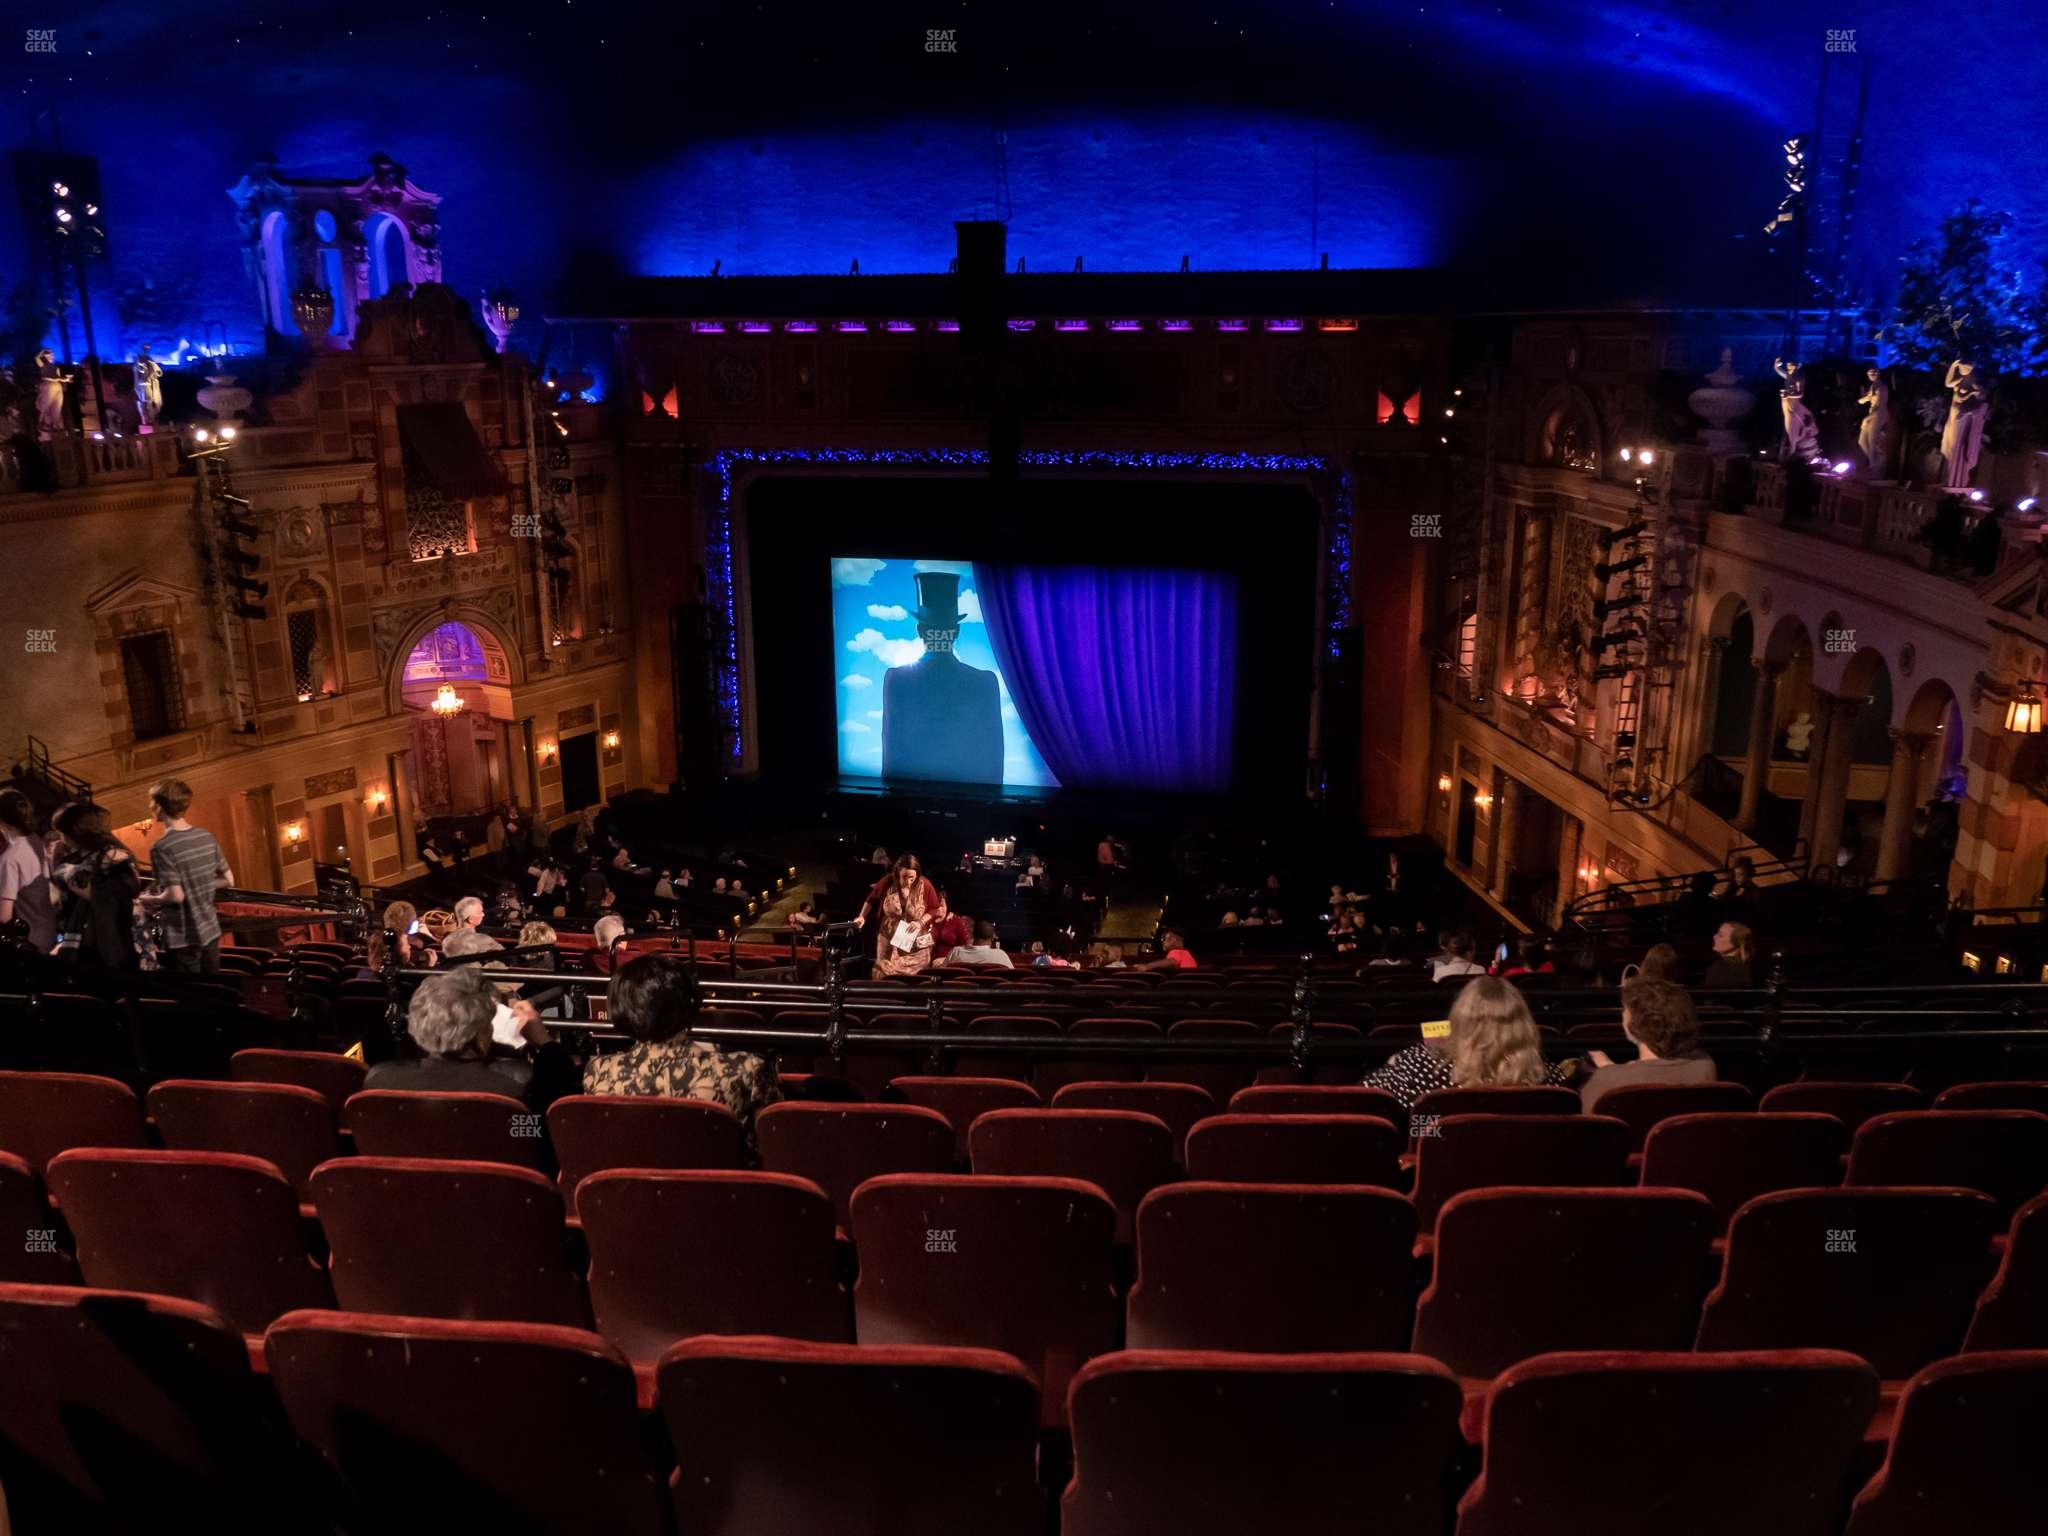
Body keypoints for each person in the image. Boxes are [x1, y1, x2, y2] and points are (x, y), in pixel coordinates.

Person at [581, 953, 782, 1142]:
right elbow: (772, 1147)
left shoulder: (599, 1072)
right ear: (690, 1002)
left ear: (619, 1007)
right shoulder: (746, 1069)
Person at [365, 965, 578, 1113]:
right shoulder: (514, 1091)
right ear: (481, 1031)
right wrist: (544, 1042)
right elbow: (549, 1130)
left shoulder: (379, 1082)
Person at [1363, 975, 1572, 1108]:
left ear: (1460, 1018)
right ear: (1523, 1024)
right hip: (1522, 1173)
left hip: (1443, 1171)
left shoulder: (1422, 1068)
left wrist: (1395, 1066)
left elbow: (1368, 1096)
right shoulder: (1549, 1081)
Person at [881, 570, 1001, 783]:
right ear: (956, 631)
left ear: (919, 630)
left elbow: (891, 760)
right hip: (972, 807)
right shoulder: (985, 683)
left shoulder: (896, 680)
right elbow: (994, 764)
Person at [137, 780, 233, 974]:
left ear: (160, 806)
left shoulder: (162, 847)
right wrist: (198, 884)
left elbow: (175, 896)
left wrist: (146, 898)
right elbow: (229, 880)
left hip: (182, 937)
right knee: (213, 990)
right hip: (211, 930)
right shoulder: (206, 836)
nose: (149, 807)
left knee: (192, 996)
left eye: (151, 802)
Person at [1580, 978, 1717, 1112]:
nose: (1622, 1014)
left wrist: (1608, 1073)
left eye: (1624, 1010)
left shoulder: (1606, 1081)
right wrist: (1610, 1068)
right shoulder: (1704, 1065)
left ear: (1634, 1024)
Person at [51, 801, 145, 970]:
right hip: (86, 942)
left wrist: (63, 870)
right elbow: (58, 900)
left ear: (76, 832)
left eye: (62, 832)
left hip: (114, 942)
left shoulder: (115, 857)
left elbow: (110, 895)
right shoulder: (76, 858)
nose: (61, 838)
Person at [0, 788, 58, 953]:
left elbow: (4, 916)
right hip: (47, 927)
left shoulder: (10, 858)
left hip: (30, 938)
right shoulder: (35, 840)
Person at [872, 856, 936, 977]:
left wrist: (920, 922)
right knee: (885, 971)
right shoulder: (888, 882)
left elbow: (934, 908)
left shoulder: (925, 884)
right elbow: (871, 898)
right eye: (904, 877)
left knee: (915, 977)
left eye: (911, 877)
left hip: (916, 941)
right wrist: (861, 916)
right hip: (890, 937)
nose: (908, 881)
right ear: (897, 873)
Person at [365, 900, 437, 975]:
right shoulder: (406, 978)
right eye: (406, 944)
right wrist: (429, 969)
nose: (409, 946)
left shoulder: (362, 973)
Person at [1702, 922, 1755, 988]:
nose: (1714, 936)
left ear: (1735, 943)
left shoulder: (1719, 968)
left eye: (1720, 935)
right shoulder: (1745, 966)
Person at [944, 918, 1013, 968]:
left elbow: (943, 974)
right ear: (992, 938)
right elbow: (1012, 978)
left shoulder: (956, 952)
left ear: (973, 935)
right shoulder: (1001, 955)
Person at [1133, 928, 1197, 972]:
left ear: (1175, 941)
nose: (1163, 942)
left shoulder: (1176, 952)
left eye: (1166, 939)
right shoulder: (1186, 953)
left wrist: (1147, 966)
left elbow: (1171, 962)